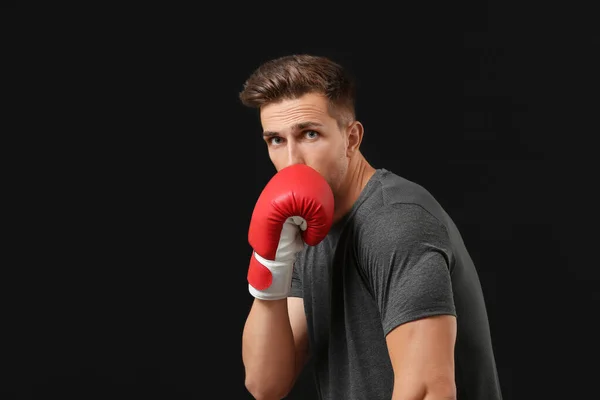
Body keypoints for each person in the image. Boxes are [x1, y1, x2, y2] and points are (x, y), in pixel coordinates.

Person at [239, 54, 503, 400]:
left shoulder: (395, 222)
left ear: (351, 138)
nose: (292, 162)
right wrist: (271, 260)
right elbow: (265, 383)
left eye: (309, 134)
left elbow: (428, 392)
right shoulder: (307, 226)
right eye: (276, 140)